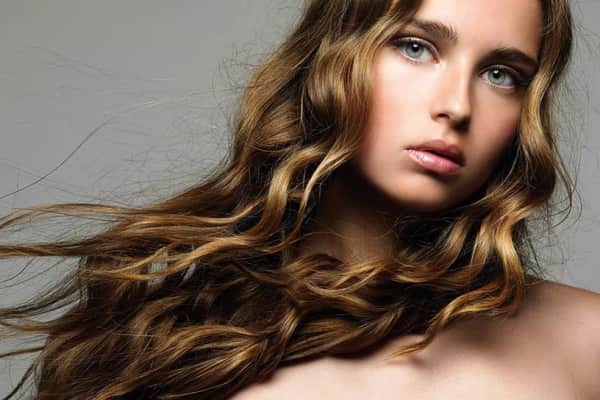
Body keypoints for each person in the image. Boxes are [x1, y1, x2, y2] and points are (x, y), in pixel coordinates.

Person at [0, 0, 598, 399]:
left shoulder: (583, 340)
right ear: (331, 57)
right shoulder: (167, 341)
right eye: (416, 47)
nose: (457, 106)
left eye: (501, 75)